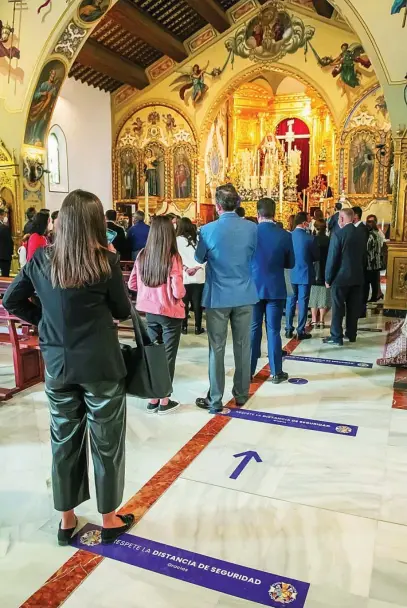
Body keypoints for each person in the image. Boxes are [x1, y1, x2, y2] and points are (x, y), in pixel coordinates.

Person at [3, 189, 134, 546]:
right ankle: (108, 518)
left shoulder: (41, 260)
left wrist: (44, 321)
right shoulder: (104, 262)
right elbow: (122, 311)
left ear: (62, 221)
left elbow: (11, 299)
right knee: (107, 443)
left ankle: (66, 518)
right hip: (101, 367)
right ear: (95, 223)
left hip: (59, 365)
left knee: (63, 440)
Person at [194, 184, 258, 414]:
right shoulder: (252, 228)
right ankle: (241, 394)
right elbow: (255, 254)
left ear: (217, 205)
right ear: (238, 204)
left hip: (218, 295)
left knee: (216, 348)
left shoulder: (208, 230)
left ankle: (215, 399)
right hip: (244, 293)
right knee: (243, 346)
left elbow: (198, 257)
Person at [128, 216, 185, 415]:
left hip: (149, 311)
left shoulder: (143, 254)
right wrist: (181, 293)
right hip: (169, 312)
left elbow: (132, 284)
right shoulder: (173, 257)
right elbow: (177, 291)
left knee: (153, 355)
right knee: (168, 356)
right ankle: (164, 399)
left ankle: (152, 398)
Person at [251, 198, 295, 384]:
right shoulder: (285, 235)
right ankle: (276, 372)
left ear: (257, 213)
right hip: (275, 288)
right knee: (273, 330)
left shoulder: (250, 233)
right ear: (274, 213)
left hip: (253, 288)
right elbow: (291, 263)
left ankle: (248, 372)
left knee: (253, 330)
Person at [323, 208, 365, 346]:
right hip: (357, 276)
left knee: (338, 308)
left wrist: (328, 278)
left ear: (341, 219)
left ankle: (336, 336)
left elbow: (333, 258)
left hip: (340, 278)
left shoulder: (338, 234)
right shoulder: (361, 234)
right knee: (353, 308)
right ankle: (351, 334)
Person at [285, 211, 319, 340]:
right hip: (305, 273)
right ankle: (300, 330)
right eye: (309, 221)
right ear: (304, 223)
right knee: (303, 302)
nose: (310, 223)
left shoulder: (288, 237)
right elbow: (316, 257)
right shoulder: (310, 238)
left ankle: (288, 329)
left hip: (291, 273)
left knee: (290, 301)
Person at [176, 218, 205, 335]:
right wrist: (197, 268)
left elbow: (176, 258)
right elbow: (205, 256)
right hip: (199, 275)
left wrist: (186, 269)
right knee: (198, 303)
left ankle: (184, 327)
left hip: (185, 275)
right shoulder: (199, 239)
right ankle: (198, 327)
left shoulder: (177, 240)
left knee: (184, 302)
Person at [309, 219, 331, 328]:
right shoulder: (329, 240)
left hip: (314, 269)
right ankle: (321, 320)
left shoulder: (312, 239)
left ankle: (313, 319)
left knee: (313, 295)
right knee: (323, 295)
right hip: (326, 269)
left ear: (315, 227)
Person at [352, 205, 369, 317]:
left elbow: (360, 248)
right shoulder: (357, 228)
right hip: (357, 263)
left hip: (359, 262)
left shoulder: (361, 229)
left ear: (356, 216)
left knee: (361, 287)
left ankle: (360, 310)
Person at [365, 214, 383, 302]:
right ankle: (374, 297)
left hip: (370, 262)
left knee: (367, 282)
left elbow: (367, 248)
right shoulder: (378, 234)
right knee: (375, 282)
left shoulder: (370, 236)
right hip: (377, 261)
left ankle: (371, 298)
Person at [0, 208, 14, 277]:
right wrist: (11, 252)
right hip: (4, 256)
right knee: (5, 275)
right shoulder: (4, 228)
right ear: (1, 216)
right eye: (3, 215)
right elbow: (9, 242)